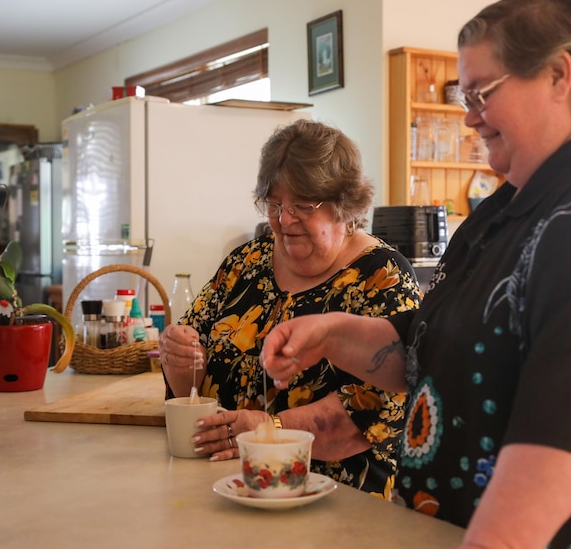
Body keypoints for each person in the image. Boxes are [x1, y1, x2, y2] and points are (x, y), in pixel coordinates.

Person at [262, 0, 571, 548]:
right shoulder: (509, 207)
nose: (470, 119)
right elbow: (428, 354)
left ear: (560, 76)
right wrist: (333, 332)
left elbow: (564, 443)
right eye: (465, 97)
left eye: (483, 93)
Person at [159, 119, 422, 498]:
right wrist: (179, 355)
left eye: (302, 206)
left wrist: (270, 430)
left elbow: (378, 408)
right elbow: (190, 384)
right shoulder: (245, 263)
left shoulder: (382, 275)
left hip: (338, 502)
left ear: (344, 206)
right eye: (274, 204)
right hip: (232, 490)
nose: (283, 221)